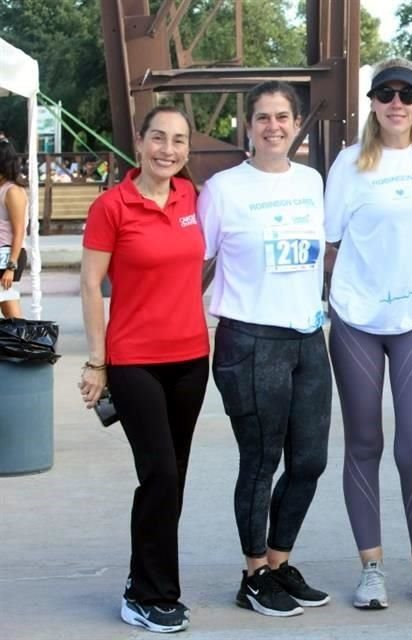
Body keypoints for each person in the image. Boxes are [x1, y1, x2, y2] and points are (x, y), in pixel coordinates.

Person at [324, 57, 412, 610]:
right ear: (373, 102)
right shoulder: (349, 163)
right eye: (386, 94)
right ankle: (371, 567)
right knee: (363, 443)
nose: (396, 103)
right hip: (356, 318)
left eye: (407, 94)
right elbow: (330, 243)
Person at [198, 81, 332, 618]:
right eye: (262, 117)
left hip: (307, 338)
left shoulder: (312, 181)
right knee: (260, 461)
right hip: (250, 340)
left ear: (296, 123)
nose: (273, 126)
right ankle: (252, 574)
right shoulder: (224, 189)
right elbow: (195, 262)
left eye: (282, 116)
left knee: (310, 461)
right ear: (247, 126)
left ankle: (278, 564)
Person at [78, 105, 209, 633]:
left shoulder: (192, 198)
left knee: (173, 478)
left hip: (191, 359)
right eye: (158, 138)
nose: (168, 150)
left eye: (178, 141)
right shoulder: (112, 206)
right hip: (134, 361)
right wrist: (96, 361)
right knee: (158, 473)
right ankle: (147, 592)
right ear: (139, 141)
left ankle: (152, 585)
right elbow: (91, 285)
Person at [0, 138, 27, 318]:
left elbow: (19, 231)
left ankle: (23, 344)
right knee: (5, 304)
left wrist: (11, 266)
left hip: (8, 255)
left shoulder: (12, 192)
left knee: (9, 304)